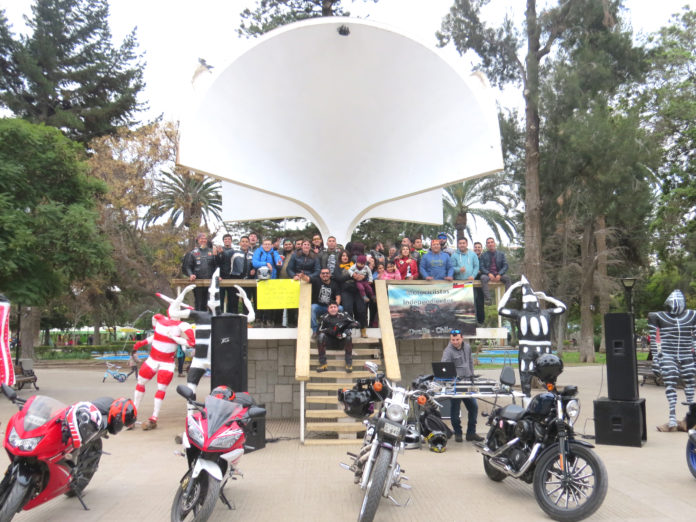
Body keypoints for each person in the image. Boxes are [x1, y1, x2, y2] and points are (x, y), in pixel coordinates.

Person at [498, 276, 567, 397]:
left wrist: (511, 289)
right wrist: (547, 298)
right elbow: (562, 308)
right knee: (537, 379)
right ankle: (542, 400)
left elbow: (500, 309)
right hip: (535, 349)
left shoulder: (528, 314)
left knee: (537, 379)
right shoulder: (543, 313)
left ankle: (549, 400)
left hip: (531, 349)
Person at [648, 290, 696, 432]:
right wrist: (656, 360)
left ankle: (690, 419)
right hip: (669, 354)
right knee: (671, 380)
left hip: (686, 353)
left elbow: (694, 337)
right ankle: (672, 417)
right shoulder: (657, 316)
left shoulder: (692, 315)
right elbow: (655, 340)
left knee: (690, 381)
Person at [441, 329, 483, 442]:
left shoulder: (468, 347)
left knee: (473, 407)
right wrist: (451, 380)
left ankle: (471, 433)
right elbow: (444, 368)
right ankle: (458, 433)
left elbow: (470, 362)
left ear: (462, 338)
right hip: (455, 385)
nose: (455, 342)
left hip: (468, 383)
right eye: (453, 340)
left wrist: (472, 376)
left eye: (457, 339)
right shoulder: (448, 351)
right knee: (455, 410)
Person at [316, 302, 359, 373]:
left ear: (337, 308)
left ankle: (349, 364)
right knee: (320, 337)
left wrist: (346, 327)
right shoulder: (324, 317)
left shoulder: (344, 315)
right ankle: (323, 364)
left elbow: (356, 323)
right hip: (329, 343)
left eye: (334, 307)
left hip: (342, 341)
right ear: (328, 309)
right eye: (331, 307)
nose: (333, 309)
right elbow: (318, 331)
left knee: (349, 337)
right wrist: (329, 330)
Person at [182, 232, 218, 311]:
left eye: (205, 239)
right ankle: (199, 321)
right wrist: (191, 274)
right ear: (198, 240)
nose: (203, 240)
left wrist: (218, 275)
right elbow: (188, 266)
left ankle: (209, 322)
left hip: (210, 282)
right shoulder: (193, 253)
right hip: (198, 282)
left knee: (210, 303)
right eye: (201, 239)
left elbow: (217, 265)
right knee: (199, 303)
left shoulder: (213, 252)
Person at [479, 237, 512, 305]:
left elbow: (506, 265)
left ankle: (508, 298)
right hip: (488, 275)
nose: (490, 244)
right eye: (488, 243)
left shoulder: (501, 254)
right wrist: (488, 273)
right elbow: (481, 267)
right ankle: (488, 299)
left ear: (494, 244)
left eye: (491, 242)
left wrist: (500, 274)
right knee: (483, 278)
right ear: (487, 245)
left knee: (507, 278)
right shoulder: (483, 255)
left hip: (499, 274)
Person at [310, 268, 342, 336]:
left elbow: (338, 297)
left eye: (327, 273)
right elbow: (307, 279)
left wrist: (334, 306)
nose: (325, 275)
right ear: (320, 275)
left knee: (341, 308)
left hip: (330, 307)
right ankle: (315, 331)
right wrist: (301, 276)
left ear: (330, 274)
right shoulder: (316, 280)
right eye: (323, 273)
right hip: (319, 306)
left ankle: (338, 330)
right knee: (312, 308)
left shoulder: (334, 284)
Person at [216, 233, 236, 313]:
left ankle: (231, 316)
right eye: (225, 239)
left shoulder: (233, 251)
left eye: (229, 239)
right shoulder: (219, 251)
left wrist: (222, 252)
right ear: (223, 241)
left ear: (231, 241)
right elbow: (216, 263)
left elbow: (228, 255)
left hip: (231, 277)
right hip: (221, 278)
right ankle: (219, 317)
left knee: (232, 300)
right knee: (220, 299)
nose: (227, 240)